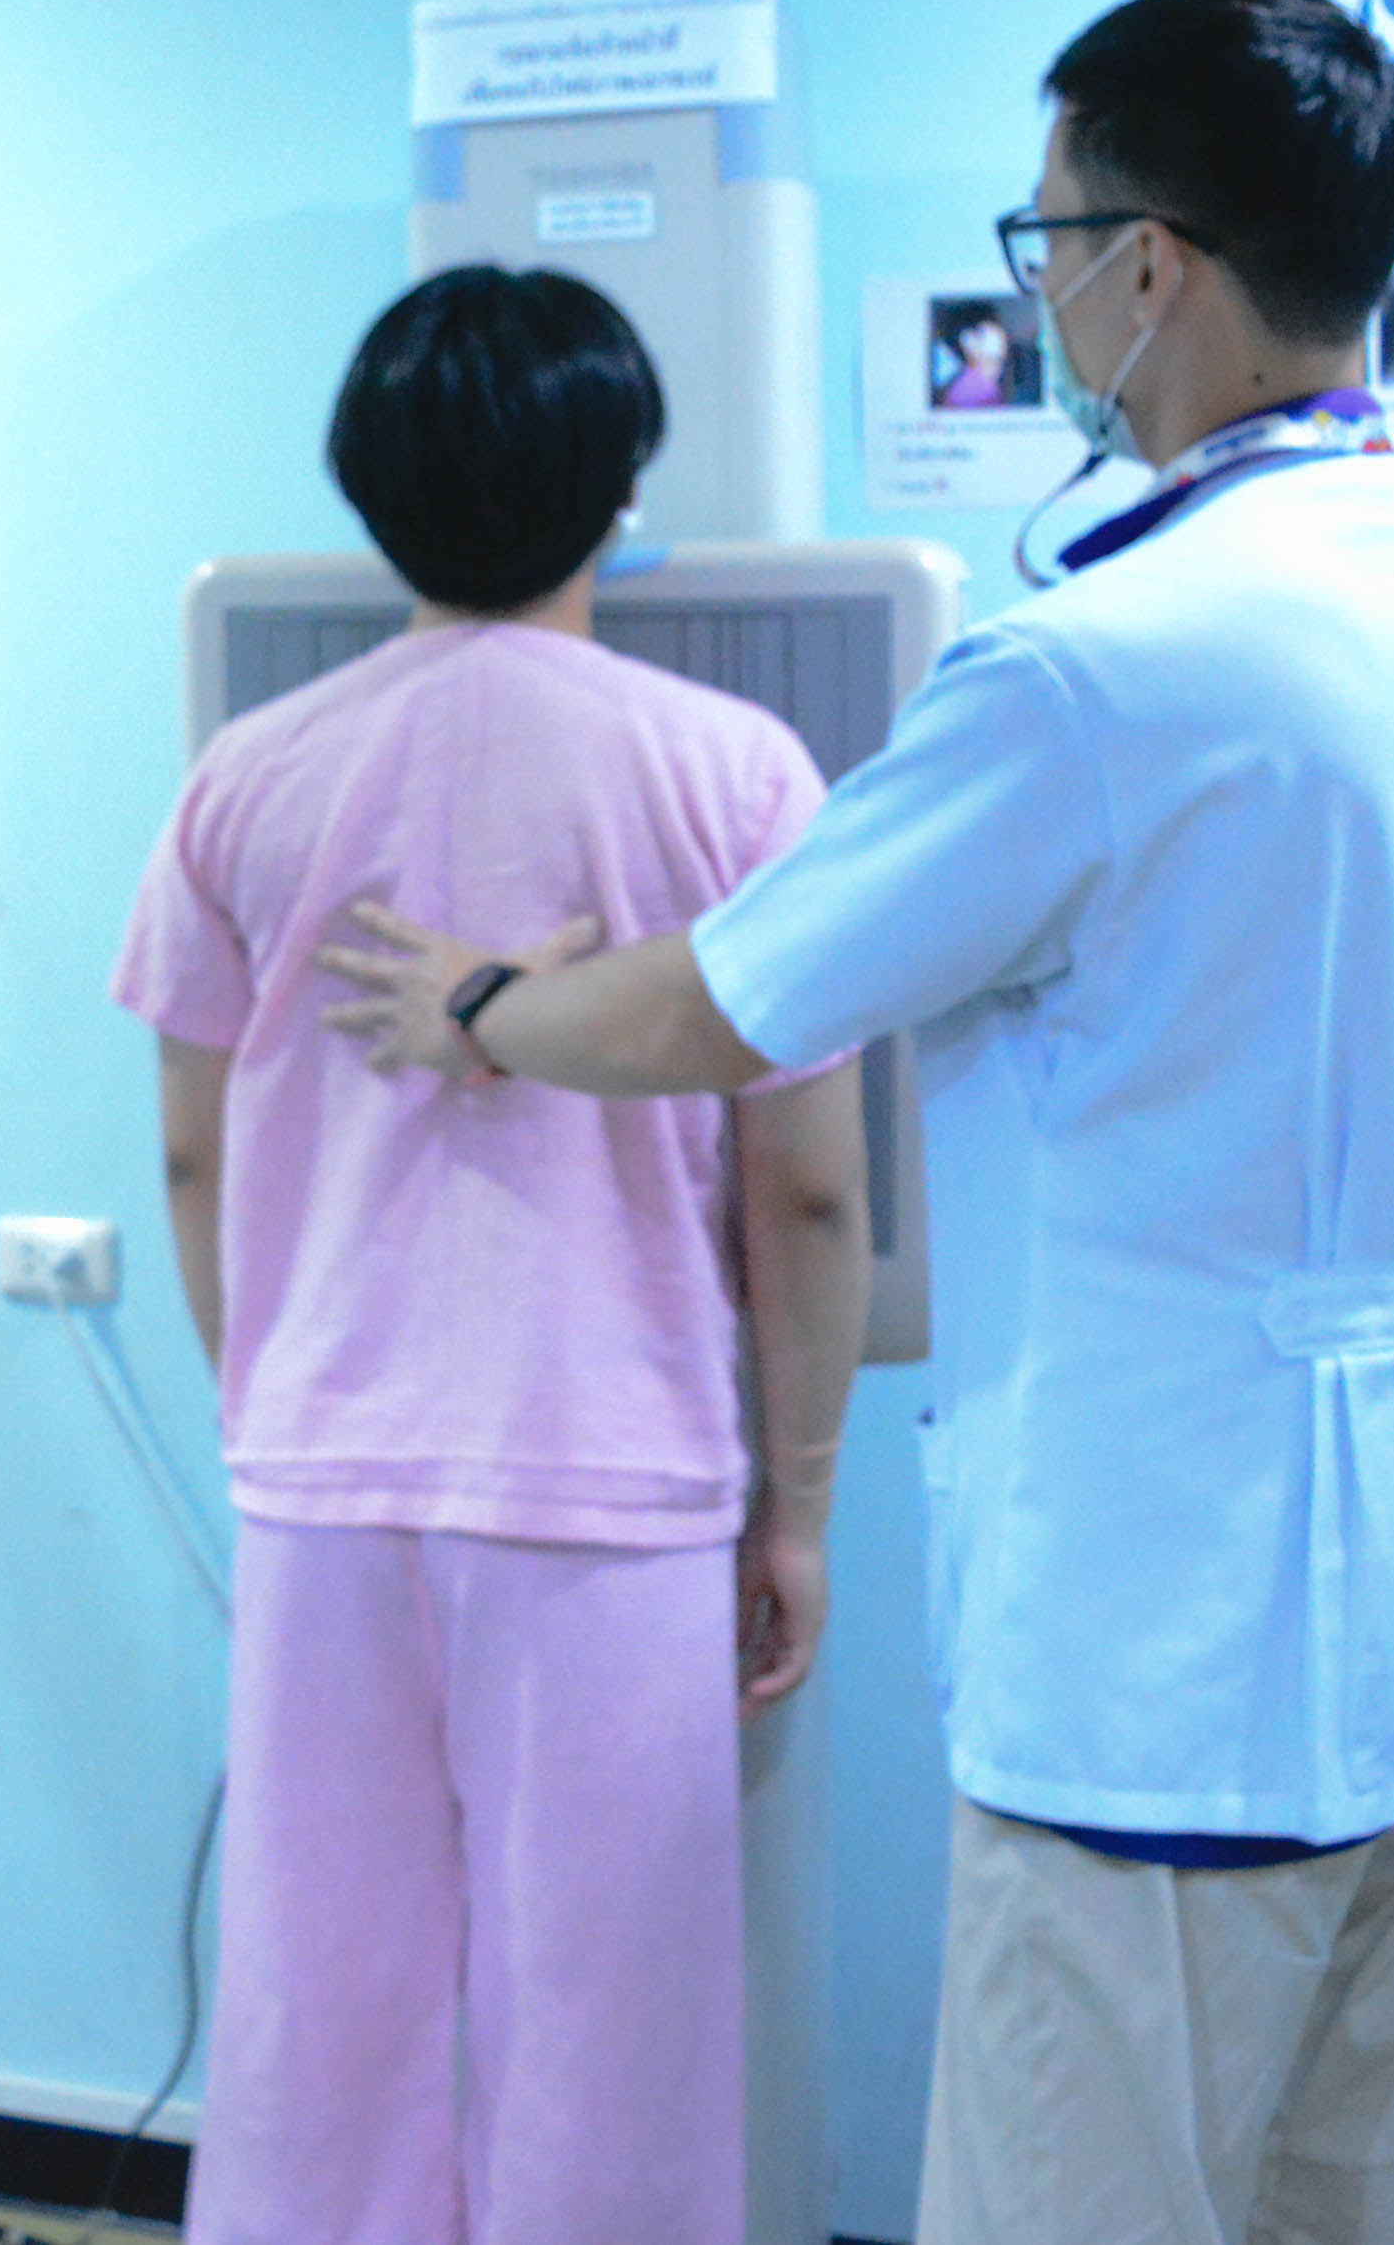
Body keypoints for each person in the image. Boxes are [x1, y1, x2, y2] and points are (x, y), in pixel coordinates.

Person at [323, 0, 1394, 2245]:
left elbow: (729, 1006)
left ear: (1154, 266)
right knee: (1375, 2197)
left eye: (1052, 242)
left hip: (1170, 1633)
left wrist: (485, 1003)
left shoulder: (1107, 662)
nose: (1047, 293)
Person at [113, 264, 874, 2245]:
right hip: (613, 1489)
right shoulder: (735, 775)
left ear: (370, 492)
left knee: (319, 2023)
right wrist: (796, 1510)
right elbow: (807, 1193)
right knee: (612, 2033)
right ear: (622, 486)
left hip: (325, 1483)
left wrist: (277, 1405)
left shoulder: (245, 779)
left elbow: (195, 1154)